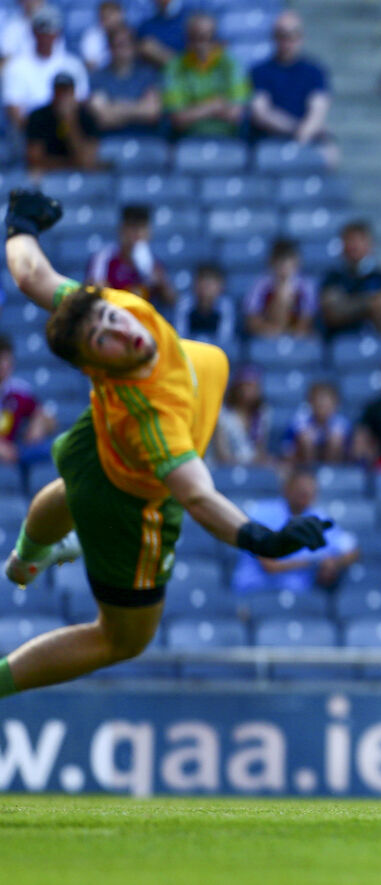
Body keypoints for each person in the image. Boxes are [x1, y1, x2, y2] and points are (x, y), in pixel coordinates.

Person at [0, 188, 331, 698]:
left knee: (72, 487)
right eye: (102, 339)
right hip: (134, 507)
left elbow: (30, 275)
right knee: (121, 641)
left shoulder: (104, 305)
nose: (120, 330)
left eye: (112, 319)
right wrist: (262, 538)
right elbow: (197, 495)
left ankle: (24, 560)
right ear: (93, 367)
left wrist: (19, 224)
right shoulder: (153, 419)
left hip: (96, 445)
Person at [231, 467, 358, 595]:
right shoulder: (262, 513)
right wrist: (315, 562)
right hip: (257, 593)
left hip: (300, 600)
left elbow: (352, 551)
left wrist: (333, 563)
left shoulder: (319, 518)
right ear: (287, 489)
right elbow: (270, 566)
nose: (305, 496)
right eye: (301, 491)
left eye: (310, 492)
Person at [319, 219, 381, 345]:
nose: (354, 246)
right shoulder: (333, 278)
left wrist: (359, 304)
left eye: (359, 241)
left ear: (370, 245)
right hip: (343, 339)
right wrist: (372, 303)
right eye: (349, 241)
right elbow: (334, 313)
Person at [249, 11, 331, 147]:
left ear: (301, 37)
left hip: (307, 138)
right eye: (282, 36)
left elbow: (318, 110)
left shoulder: (315, 72)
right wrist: (298, 131)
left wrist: (303, 136)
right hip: (269, 140)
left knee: (330, 152)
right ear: (274, 37)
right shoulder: (259, 71)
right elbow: (261, 114)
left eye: (293, 36)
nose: (287, 42)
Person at [162, 12, 249, 139]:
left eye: (205, 38)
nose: (200, 45)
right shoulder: (174, 67)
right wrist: (215, 105)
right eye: (194, 38)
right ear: (187, 39)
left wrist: (193, 110)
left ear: (216, 39)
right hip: (188, 139)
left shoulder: (232, 64)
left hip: (229, 138)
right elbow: (177, 119)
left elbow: (236, 114)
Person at [3, 5, 89, 132]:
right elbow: (14, 111)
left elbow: (80, 104)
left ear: (58, 33)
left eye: (50, 32)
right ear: (33, 32)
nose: (45, 37)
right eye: (41, 32)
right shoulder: (16, 67)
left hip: (65, 133)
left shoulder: (73, 65)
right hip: (30, 134)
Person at [86, 204, 175, 310]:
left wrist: (161, 283)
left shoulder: (153, 263)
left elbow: (172, 300)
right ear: (122, 230)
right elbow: (92, 293)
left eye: (142, 228)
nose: (138, 234)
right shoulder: (103, 258)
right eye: (133, 228)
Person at [86, 24, 162, 137]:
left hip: (145, 139)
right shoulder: (97, 77)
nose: (122, 50)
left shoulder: (148, 74)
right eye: (118, 45)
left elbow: (152, 113)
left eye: (127, 44)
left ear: (134, 47)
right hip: (110, 140)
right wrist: (138, 108)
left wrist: (116, 106)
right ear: (110, 48)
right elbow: (103, 118)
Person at [243, 238, 319, 339]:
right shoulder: (260, 285)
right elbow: (252, 320)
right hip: (267, 333)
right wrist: (270, 330)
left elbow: (307, 319)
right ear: (272, 263)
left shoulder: (306, 285)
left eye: (289, 261)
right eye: (280, 262)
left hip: (296, 334)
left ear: (297, 262)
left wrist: (294, 334)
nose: (284, 266)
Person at [0, 333, 56, 470]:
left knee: (55, 448)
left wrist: (39, 424)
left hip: (15, 454)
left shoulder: (18, 390)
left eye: (5, 358)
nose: (2, 364)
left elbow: (50, 421)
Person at [24, 72, 99, 172]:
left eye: (66, 91)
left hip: (80, 175)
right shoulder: (38, 117)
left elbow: (87, 161)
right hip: (49, 175)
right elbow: (34, 160)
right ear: (53, 92)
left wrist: (69, 121)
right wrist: (72, 163)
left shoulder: (87, 116)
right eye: (58, 91)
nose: (62, 96)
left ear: (73, 93)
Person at [213, 363, 272, 467]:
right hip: (226, 467)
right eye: (246, 385)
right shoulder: (223, 413)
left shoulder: (263, 413)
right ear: (237, 387)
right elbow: (222, 455)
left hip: (253, 466)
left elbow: (260, 449)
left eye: (254, 386)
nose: (250, 390)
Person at [281, 380, 350, 466]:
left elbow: (348, 452)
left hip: (334, 459)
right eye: (320, 403)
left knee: (336, 440)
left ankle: (331, 474)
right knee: (306, 439)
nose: (323, 408)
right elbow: (287, 452)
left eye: (327, 404)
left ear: (335, 404)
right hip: (299, 462)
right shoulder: (299, 420)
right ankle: (309, 471)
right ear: (311, 403)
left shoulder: (341, 422)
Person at [172, 261, 235, 344]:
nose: (205, 287)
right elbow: (179, 338)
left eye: (210, 283)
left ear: (221, 286)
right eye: (202, 281)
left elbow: (226, 340)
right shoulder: (184, 305)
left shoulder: (226, 306)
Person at [137, 0, 189, 68]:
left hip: (188, 73)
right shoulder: (146, 27)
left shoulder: (190, 19)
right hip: (154, 75)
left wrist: (160, 54)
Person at [78, 0, 124, 71]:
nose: (110, 20)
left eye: (112, 15)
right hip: (101, 75)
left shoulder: (128, 33)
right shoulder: (92, 36)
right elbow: (90, 65)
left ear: (120, 15)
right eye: (105, 17)